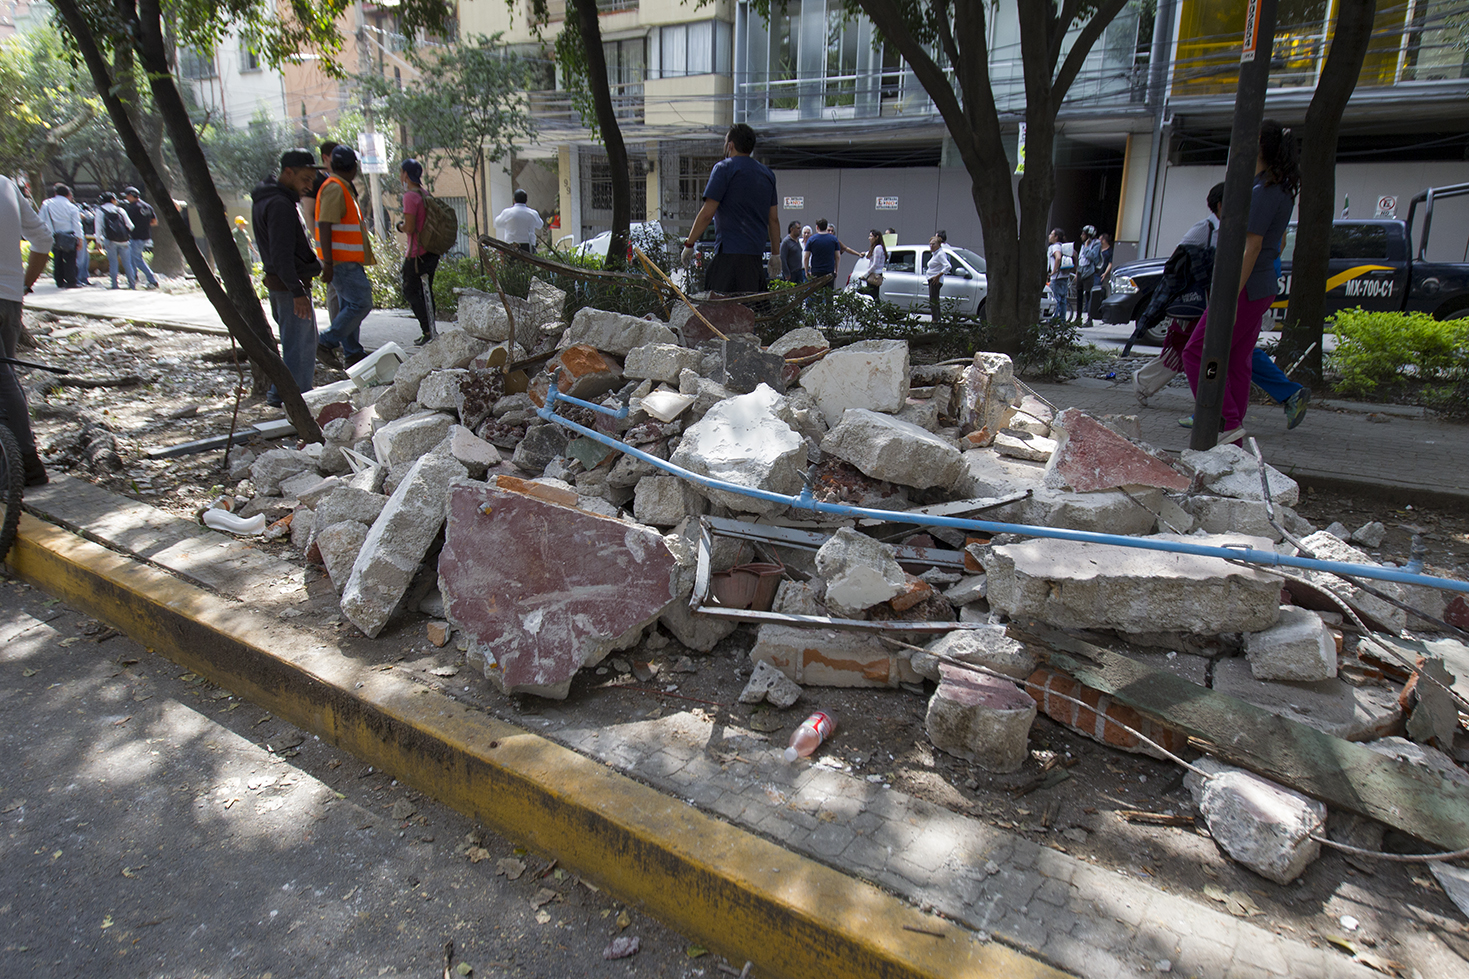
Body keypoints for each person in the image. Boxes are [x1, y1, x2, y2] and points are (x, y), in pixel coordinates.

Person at [1131, 181, 1309, 432]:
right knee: (1236, 354)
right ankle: (1230, 420)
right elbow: (1277, 246)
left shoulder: (1243, 217)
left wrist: (1228, 297)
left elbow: (1179, 265)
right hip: (1254, 287)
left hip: (1232, 292)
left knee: (1203, 352)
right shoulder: (1271, 201)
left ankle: (1217, 415)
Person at [1181, 119, 1300, 447]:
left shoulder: (1265, 191)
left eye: (1247, 138)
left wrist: (1230, 298)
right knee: (1237, 360)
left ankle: (1226, 422)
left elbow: (1253, 245)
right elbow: (1275, 243)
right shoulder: (1274, 187)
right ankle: (1232, 434)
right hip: (1259, 286)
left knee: (1196, 352)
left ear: (1260, 145)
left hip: (1245, 287)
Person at [251, 149, 323, 407]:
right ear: (288, 173)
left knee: (299, 343)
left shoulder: (270, 199)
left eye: (311, 180)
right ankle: (297, 400)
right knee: (299, 348)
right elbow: (281, 256)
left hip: (284, 284)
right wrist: (297, 292)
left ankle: (282, 395)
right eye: (305, 179)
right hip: (288, 286)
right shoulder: (279, 204)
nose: (309, 186)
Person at [681, 123, 781, 293]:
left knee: (718, 305)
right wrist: (775, 254)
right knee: (752, 306)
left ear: (730, 145)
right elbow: (773, 219)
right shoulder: (767, 174)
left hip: (728, 257)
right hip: (754, 259)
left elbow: (707, 214)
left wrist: (689, 244)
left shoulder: (724, 168)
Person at [1, 175, 55, 486]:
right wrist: (23, 286)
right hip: (10, 298)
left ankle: (25, 461)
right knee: (6, 375)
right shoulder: (6, 185)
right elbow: (43, 239)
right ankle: (21, 459)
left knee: (3, 377)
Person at [315, 144, 374, 369]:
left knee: (349, 305)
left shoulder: (340, 186)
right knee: (361, 303)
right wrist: (328, 263)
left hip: (344, 260)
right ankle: (325, 341)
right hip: (341, 261)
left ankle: (352, 352)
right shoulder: (335, 188)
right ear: (353, 167)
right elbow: (325, 224)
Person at [398, 158, 441, 345]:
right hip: (431, 251)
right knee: (426, 292)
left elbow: (409, 227)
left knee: (410, 291)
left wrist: (399, 226)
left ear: (405, 175)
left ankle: (427, 330)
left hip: (416, 254)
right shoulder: (425, 194)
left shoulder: (410, 197)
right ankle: (431, 329)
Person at [36, 183, 83, 289]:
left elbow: (41, 219)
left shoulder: (47, 204)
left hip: (54, 235)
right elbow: (76, 224)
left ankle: (59, 281)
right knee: (70, 260)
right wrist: (80, 238)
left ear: (55, 193)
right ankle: (71, 281)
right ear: (68, 194)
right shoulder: (72, 207)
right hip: (69, 235)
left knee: (57, 259)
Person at [95, 192, 136, 289]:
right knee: (127, 263)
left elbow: (98, 228)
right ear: (112, 199)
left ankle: (114, 285)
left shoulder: (100, 211)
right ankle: (132, 284)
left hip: (110, 241)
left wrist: (98, 241)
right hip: (124, 241)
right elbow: (131, 226)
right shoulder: (120, 210)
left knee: (113, 263)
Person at [804, 218, 861, 286]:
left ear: (817, 227)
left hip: (816, 271)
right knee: (829, 291)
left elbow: (806, 257)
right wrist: (836, 270)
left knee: (816, 290)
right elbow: (837, 256)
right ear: (826, 227)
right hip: (829, 271)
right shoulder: (834, 239)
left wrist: (806, 271)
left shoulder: (811, 240)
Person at [121, 186, 159, 289]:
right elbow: (154, 222)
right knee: (133, 258)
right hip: (145, 236)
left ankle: (152, 280)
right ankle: (133, 279)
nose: (126, 198)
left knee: (137, 259)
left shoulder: (132, 208)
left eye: (127, 196)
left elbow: (127, 224)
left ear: (131, 195)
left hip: (135, 236)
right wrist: (144, 225)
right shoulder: (147, 206)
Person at [493, 188, 543, 253]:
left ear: (514, 200)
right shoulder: (533, 213)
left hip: (511, 247)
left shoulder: (508, 212)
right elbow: (540, 225)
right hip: (529, 247)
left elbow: (497, 223)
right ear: (526, 200)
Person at [1074, 225, 1101, 324]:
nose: (1081, 236)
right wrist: (1077, 272)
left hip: (1089, 272)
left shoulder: (1096, 244)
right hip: (1081, 270)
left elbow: (1092, 256)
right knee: (1079, 295)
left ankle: (1090, 319)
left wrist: (1086, 247)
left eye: (1083, 234)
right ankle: (1078, 318)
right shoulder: (1082, 244)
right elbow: (1081, 259)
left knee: (1089, 296)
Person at [1046, 228, 1074, 321]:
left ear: (1056, 237)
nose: (1049, 236)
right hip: (1065, 277)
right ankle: (1062, 321)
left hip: (1056, 278)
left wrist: (1053, 271)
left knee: (1056, 300)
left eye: (1051, 234)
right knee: (1063, 300)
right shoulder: (1064, 246)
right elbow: (1075, 255)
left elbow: (1058, 257)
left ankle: (1053, 321)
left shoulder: (1055, 247)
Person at [926, 230, 952, 322]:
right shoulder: (935, 254)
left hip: (935, 280)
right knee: (933, 300)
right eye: (930, 244)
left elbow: (948, 266)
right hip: (931, 278)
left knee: (934, 301)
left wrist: (938, 276)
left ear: (939, 245)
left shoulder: (940, 254)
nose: (931, 246)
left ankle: (936, 319)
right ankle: (936, 318)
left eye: (933, 244)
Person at [861, 228, 887, 297]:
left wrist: (866, 275)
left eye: (871, 236)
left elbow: (875, 264)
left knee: (872, 295)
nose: (869, 238)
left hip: (875, 275)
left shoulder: (878, 248)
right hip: (875, 274)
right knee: (873, 295)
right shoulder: (877, 248)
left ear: (876, 237)